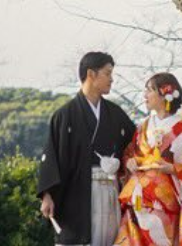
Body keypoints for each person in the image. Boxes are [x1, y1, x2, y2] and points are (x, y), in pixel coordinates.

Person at [38, 51, 136, 246]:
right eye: (107, 73)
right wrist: (47, 195)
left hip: (110, 188)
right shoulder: (64, 115)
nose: (112, 79)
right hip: (76, 191)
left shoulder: (115, 114)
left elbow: (134, 144)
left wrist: (130, 162)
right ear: (91, 74)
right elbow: (51, 156)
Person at [114, 72, 182, 246]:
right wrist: (129, 162)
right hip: (137, 199)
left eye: (149, 90)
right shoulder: (143, 126)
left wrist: (172, 168)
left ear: (164, 93)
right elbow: (129, 152)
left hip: (164, 202)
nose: (145, 95)